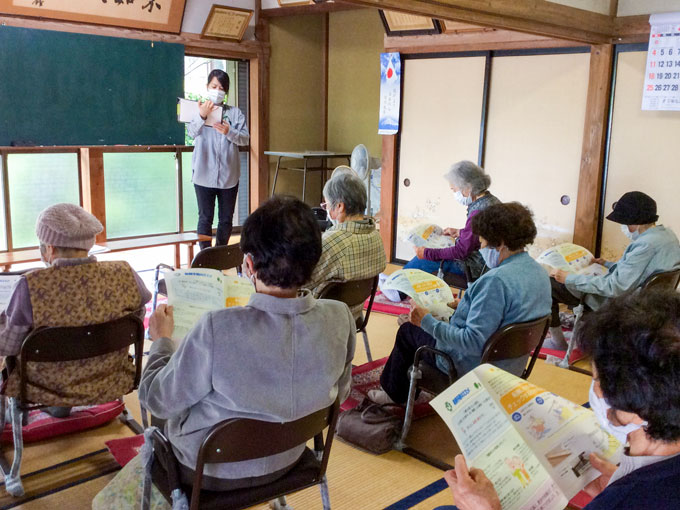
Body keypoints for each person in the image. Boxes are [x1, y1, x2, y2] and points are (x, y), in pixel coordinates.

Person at [93, 196, 355, 508]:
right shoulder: (340, 317)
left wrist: (162, 342)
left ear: (248, 265)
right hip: (291, 456)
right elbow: (340, 390)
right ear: (314, 262)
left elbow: (156, 400)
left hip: (209, 469)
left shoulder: (218, 327)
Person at [444, 289, 680, 510]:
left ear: (635, 408)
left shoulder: (628, 499)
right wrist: (619, 482)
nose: (594, 390)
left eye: (596, 380)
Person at [370, 202, 551, 405]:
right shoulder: (539, 272)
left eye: (482, 243)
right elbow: (511, 310)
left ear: (499, 243)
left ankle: (393, 395)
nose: (481, 249)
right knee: (420, 321)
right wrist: (467, 305)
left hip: (474, 365)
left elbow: (471, 342)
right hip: (513, 364)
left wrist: (426, 322)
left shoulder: (495, 281)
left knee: (408, 330)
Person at [0, 203, 151, 417]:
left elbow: (9, 344)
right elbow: (139, 316)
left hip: (46, 387)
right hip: (110, 377)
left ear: (49, 248)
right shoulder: (125, 273)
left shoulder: (31, 286)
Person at [546, 191, 680, 350]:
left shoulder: (645, 244)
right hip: (652, 300)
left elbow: (616, 287)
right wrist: (607, 264)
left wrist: (568, 278)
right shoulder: (667, 236)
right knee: (581, 278)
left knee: (549, 285)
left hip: (627, 301)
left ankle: (557, 341)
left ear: (634, 222)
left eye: (624, 223)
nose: (623, 227)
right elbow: (638, 271)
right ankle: (582, 334)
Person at [305, 171, 386, 320]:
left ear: (340, 206)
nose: (327, 210)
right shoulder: (376, 236)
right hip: (354, 316)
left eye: (327, 205)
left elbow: (300, 284)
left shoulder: (333, 242)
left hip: (322, 321)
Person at [403, 160, 500, 279]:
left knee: (423, 260)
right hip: (488, 264)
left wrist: (427, 253)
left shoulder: (478, 212)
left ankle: (396, 289)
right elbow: (479, 234)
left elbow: (461, 251)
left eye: (454, 190)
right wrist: (460, 232)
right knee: (433, 252)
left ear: (468, 187)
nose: (455, 194)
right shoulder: (492, 201)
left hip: (474, 267)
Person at [188, 69, 250, 250]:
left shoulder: (235, 113)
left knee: (226, 219)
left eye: (221, 88)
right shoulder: (197, 109)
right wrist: (202, 116)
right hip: (203, 174)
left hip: (228, 176)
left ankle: (220, 255)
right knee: (205, 217)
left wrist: (228, 132)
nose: (217, 90)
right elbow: (191, 133)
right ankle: (205, 256)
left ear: (226, 91)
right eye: (214, 86)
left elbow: (246, 139)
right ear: (207, 87)